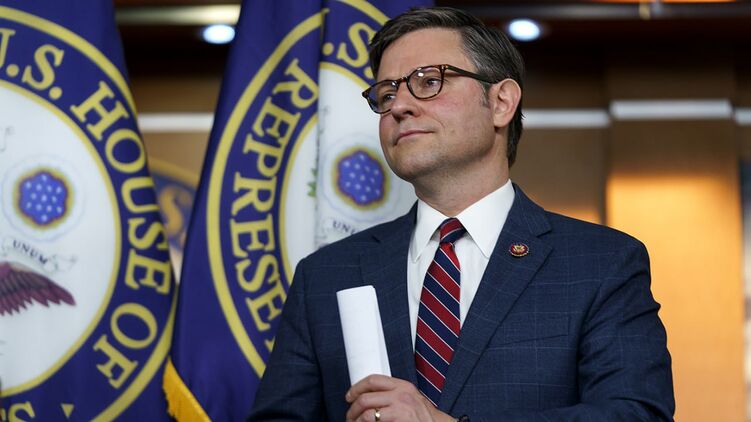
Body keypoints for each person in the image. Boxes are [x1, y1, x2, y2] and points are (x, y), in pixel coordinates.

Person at [248, 6, 674, 422]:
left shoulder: (601, 263)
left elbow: (637, 413)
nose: (399, 106)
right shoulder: (325, 275)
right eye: (387, 93)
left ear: (501, 102)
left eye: (429, 81)